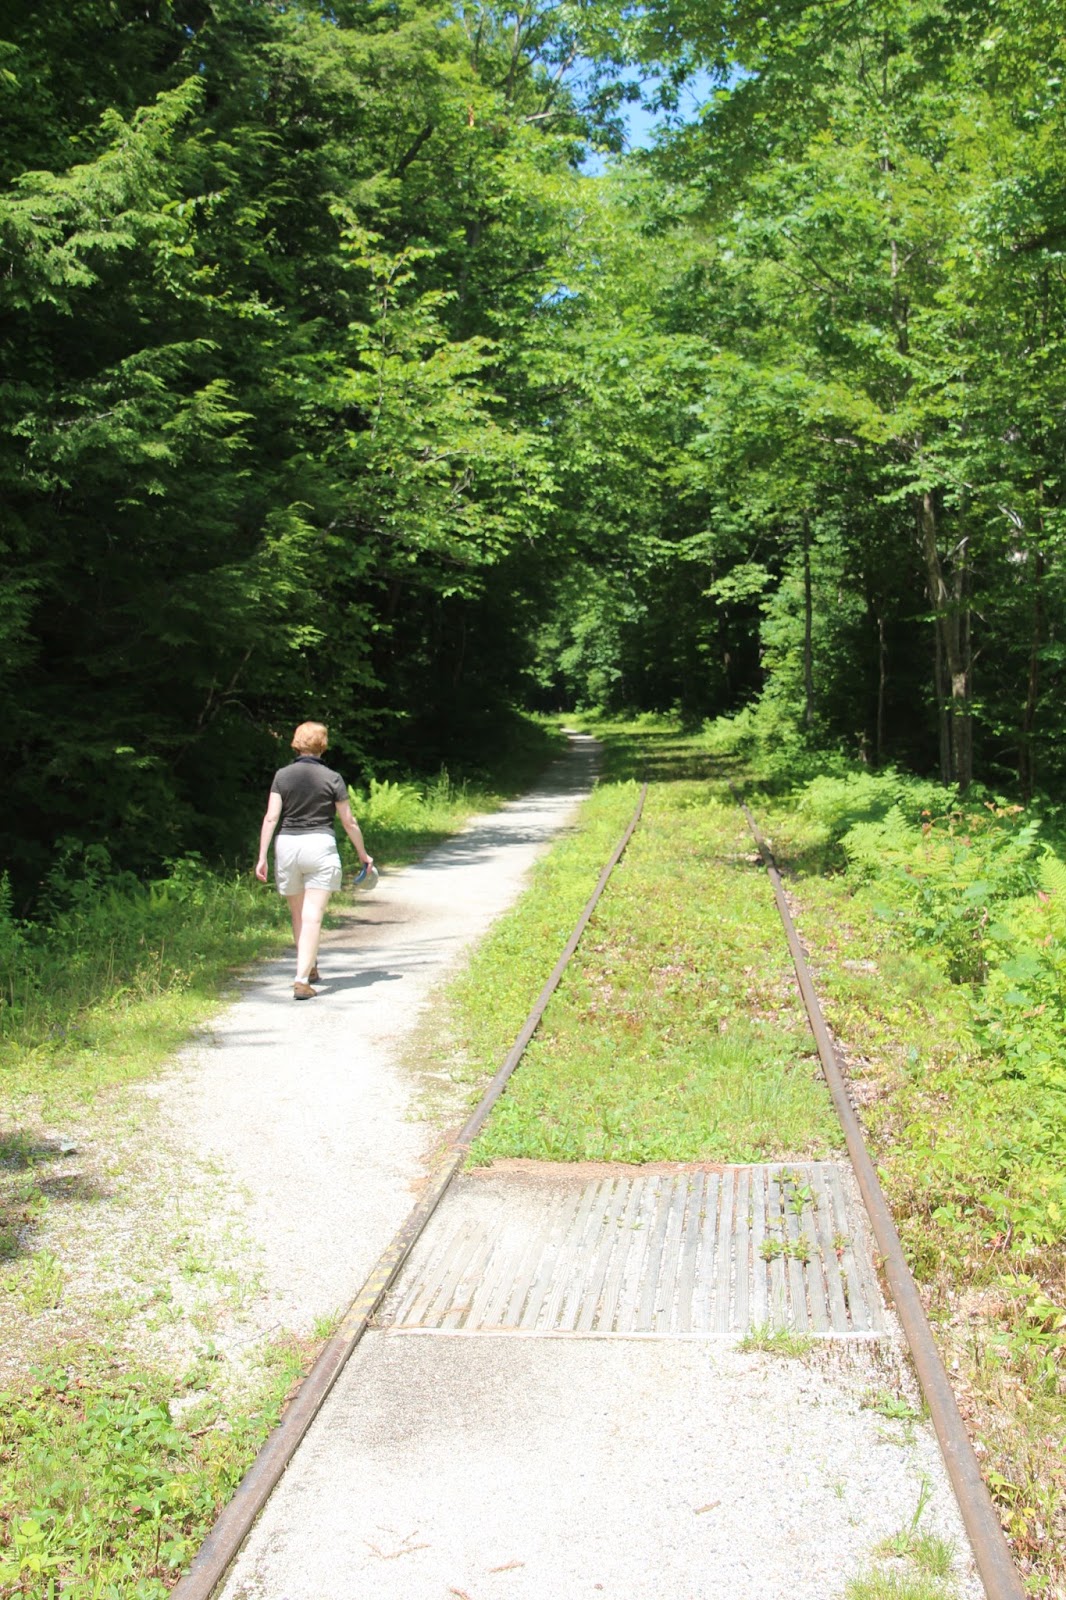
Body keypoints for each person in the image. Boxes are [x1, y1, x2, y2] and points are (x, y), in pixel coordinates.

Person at [255, 721, 373, 1000]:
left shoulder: (282, 776)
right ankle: (301, 978)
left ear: (296, 742)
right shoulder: (332, 778)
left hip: (287, 846)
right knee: (312, 917)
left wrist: (262, 856)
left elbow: (271, 817)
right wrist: (362, 854)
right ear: (323, 745)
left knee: (298, 914)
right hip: (319, 846)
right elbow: (348, 821)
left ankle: (309, 966)